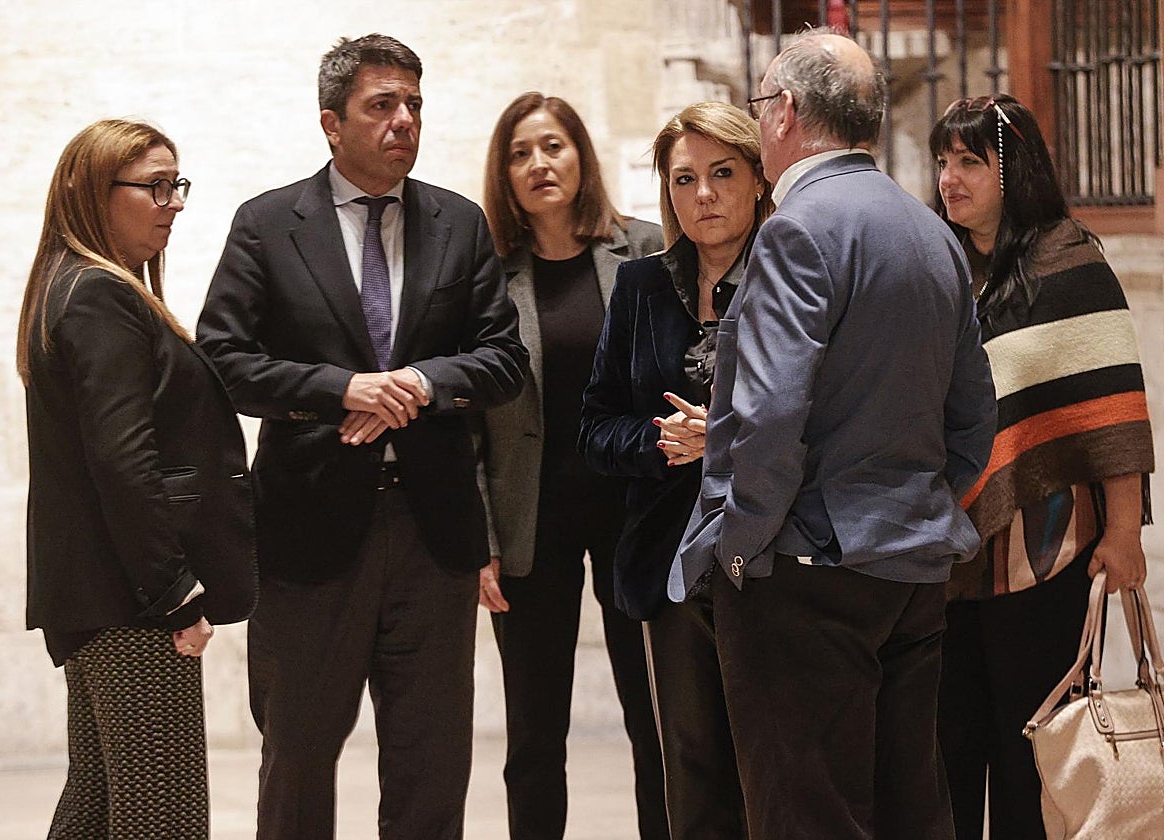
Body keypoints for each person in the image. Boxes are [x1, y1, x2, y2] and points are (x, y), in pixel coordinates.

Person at [197, 34, 528, 840]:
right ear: (331, 123)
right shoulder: (269, 224)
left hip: (432, 532)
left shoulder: (459, 221)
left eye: (414, 104)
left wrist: (418, 384)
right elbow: (223, 362)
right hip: (308, 529)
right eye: (383, 105)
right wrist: (339, 389)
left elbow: (502, 358)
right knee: (300, 758)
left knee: (431, 763)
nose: (404, 121)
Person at [673, 29, 998, 838]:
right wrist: (920, 505)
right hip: (911, 568)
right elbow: (974, 414)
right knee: (909, 810)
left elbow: (771, 413)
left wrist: (742, 543)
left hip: (806, 571)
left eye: (760, 107)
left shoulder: (797, 227)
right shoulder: (930, 233)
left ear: (783, 112)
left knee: (806, 815)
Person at [18, 118, 257, 838]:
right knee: (164, 821)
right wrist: (173, 589)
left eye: (175, 185)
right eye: (154, 187)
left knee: (97, 811)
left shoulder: (71, 288)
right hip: (131, 601)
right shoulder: (98, 295)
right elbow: (122, 459)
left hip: (100, 597)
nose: (173, 203)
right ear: (94, 192)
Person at [930, 93, 1155, 840]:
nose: (949, 178)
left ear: (1014, 169)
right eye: (941, 161)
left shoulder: (1071, 261)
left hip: (1047, 553)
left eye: (970, 161)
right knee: (948, 749)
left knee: (1033, 750)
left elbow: (1113, 408)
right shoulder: (940, 266)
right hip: (950, 554)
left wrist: (1123, 535)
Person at [474, 91, 667, 840]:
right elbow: (468, 425)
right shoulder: (487, 275)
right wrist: (480, 535)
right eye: (520, 153)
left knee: (653, 718)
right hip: (531, 522)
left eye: (552, 146)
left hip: (634, 516)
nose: (538, 164)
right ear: (505, 174)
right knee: (534, 733)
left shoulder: (646, 250)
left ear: (579, 155)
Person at [578, 101, 768, 839]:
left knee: (771, 756)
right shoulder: (640, 287)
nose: (705, 196)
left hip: (774, 554)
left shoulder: (795, 277)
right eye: (685, 179)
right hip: (670, 560)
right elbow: (595, 428)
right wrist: (665, 443)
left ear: (757, 179)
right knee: (689, 763)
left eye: (723, 174)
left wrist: (719, 439)